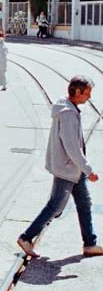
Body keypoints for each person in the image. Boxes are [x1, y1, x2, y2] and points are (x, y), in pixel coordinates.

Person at [17, 76, 103, 259]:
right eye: (86, 93)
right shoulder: (68, 114)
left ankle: (90, 244)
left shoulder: (67, 107)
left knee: (84, 204)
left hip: (72, 169)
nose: (88, 97)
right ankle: (26, 237)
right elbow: (72, 147)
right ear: (77, 92)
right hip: (67, 168)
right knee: (55, 206)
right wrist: (88, 169)